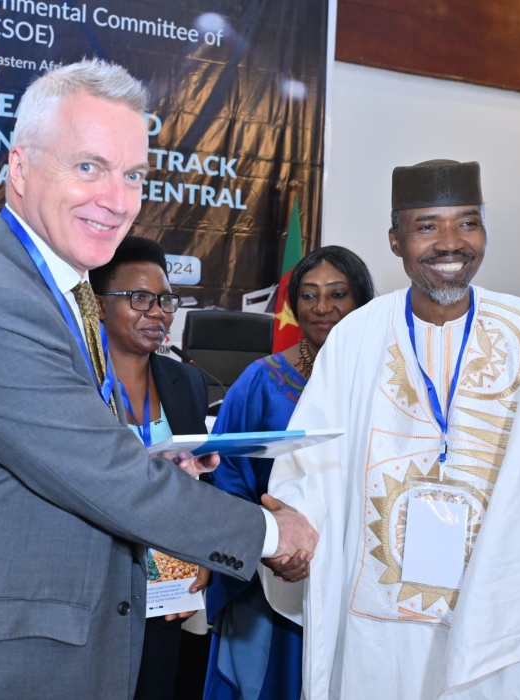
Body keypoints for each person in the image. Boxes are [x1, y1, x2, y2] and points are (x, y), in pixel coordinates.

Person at [0, 59, 318, 700]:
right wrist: (272, 534)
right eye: (88, 166)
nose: (117, 200)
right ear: (21, 169)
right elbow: (106, 476)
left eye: (133, 174)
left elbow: (71, 465)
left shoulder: (61, 290)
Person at [263, 160, 520, 699]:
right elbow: (312, 468)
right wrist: (294, 536)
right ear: (395, 239)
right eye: (427, 226)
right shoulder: (357, 337)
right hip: (382, 637)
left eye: (467, 223)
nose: (450, 243)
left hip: (507, 629)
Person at [202, 245, 375, 700]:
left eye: (338, 294)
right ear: (293, 304)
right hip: (272, 576)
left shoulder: (383, 383)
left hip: (360, 575)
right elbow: (225, 474)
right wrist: (269, 546)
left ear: (361, 302)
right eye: (309, 295)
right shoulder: (262, 380)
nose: (323, 308)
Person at [88, 235, 211, 699]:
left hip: (165, 596)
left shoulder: (186, 382)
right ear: (98, 305)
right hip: (93, 593)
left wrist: (204, 555)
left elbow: (198, 486)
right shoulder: (73, 385)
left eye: (164, 299)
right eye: (138, 298)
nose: (157, 312)